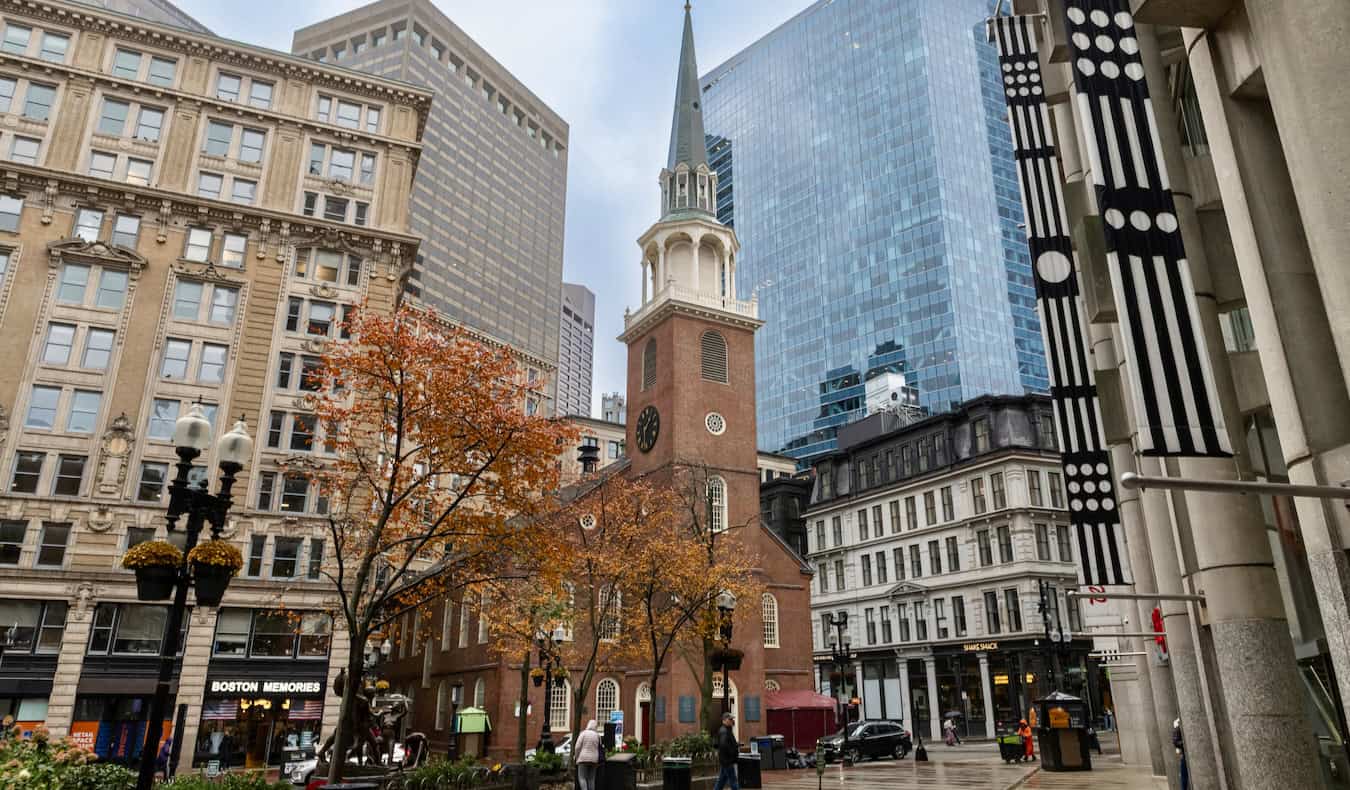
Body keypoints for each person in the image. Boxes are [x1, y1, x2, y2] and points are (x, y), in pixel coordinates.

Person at [574, 720, 603, 790]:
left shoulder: (583, 734)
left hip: (583, 759)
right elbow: (600, 747)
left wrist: (576, 757)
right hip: (594, 760)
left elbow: (577, 747)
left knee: (582, 778)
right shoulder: (597, 736)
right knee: (591, 779)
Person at [714, 712, 740, 790]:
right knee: (733, 781)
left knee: (721, 781)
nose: (732, 721)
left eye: (732, 719)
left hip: (726, 760)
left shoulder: (727, 730)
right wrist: (732, 753)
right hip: (727, 760)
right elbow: (723, 745)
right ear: (724, 720)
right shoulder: (724, 731)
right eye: (730, 719)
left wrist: (735, 745)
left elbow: (727, 743)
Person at [1173, 718, 1188, 790]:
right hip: (1184, 754)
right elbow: (1176, 742)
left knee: (1184, 775)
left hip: (1185, 753)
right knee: (1184, 775)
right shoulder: (1177, 727)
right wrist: (1185, 743)